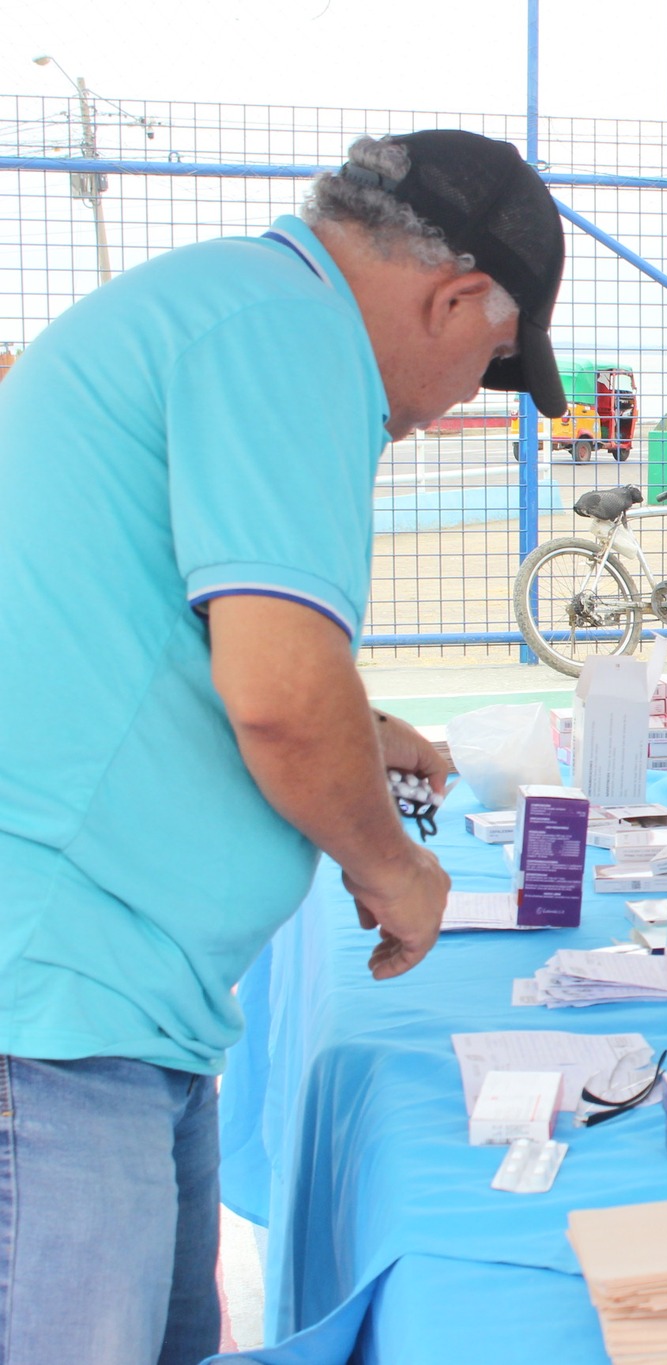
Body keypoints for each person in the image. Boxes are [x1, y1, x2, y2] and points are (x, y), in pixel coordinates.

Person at [0, 130, 564, 1362]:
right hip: (56, 1003)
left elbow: (166, 629)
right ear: (456, 297)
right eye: (491, 364)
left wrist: (366, 730)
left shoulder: (237, 305)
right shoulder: (292, 337)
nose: (461, 399)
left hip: (112, 999)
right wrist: (391, 867)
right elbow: (278, 695)